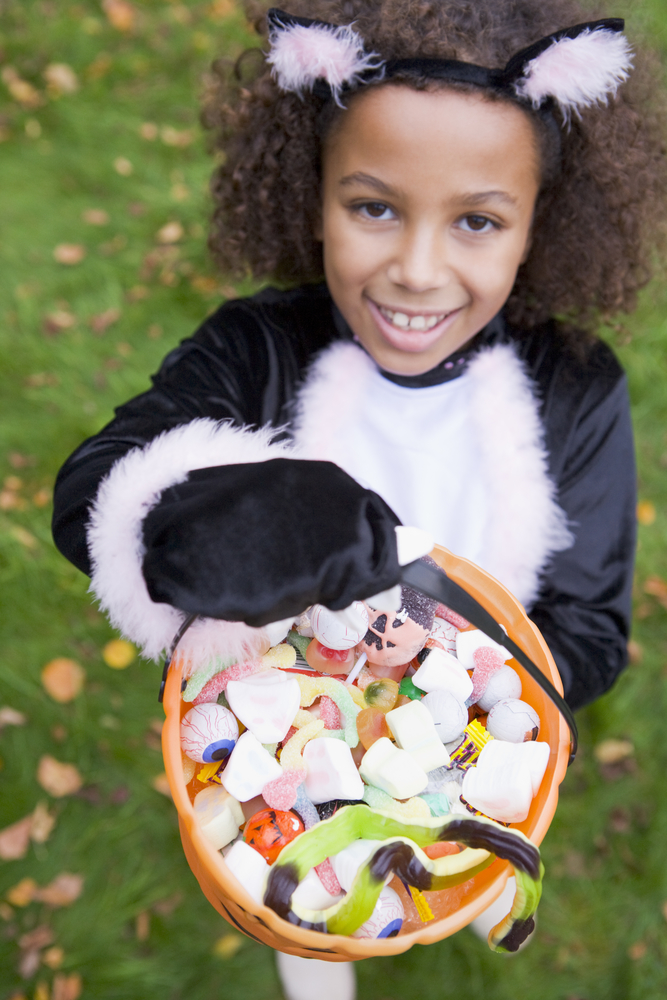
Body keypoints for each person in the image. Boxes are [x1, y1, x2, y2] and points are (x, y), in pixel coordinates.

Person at [51, 1, 667, 997]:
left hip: (453, 741)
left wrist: (468, 678)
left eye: (476, 220)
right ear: (313, 192)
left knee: (421, 865)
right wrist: (225, 517)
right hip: (285, 743)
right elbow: (101, 485)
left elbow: (589, 628)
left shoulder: (575, 389)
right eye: (373, 206)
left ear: (538, 223)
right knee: (308, 902)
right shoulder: (259, 350)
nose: (416, 270)